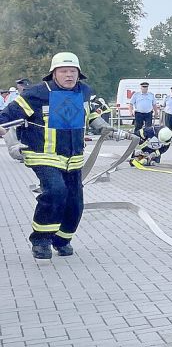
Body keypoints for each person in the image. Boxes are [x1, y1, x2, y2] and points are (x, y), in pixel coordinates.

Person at [0, 52, 124, 259]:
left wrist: (104, 127)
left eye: (72, 71)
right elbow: (8, 116)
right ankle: (41, 240)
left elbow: (91, 114)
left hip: (73, 158)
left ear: (79, 74)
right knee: (56, 192)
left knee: (75, 203)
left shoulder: (84, 91)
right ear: (53, 74)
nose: (69, 75)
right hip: (42, 156)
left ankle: (62, 239)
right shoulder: (36, 94)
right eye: (64, 71)